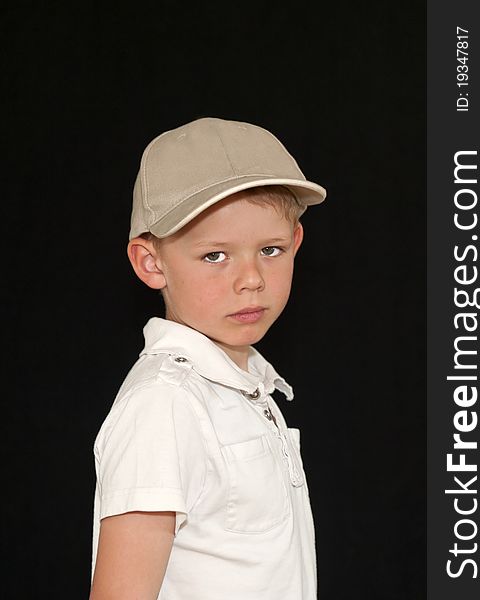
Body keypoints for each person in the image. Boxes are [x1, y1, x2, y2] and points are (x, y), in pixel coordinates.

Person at [89, 117, 327, 599]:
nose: (251, 279)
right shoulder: (165, 404)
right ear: (150, 263)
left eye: (271, 249)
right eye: (215, 255)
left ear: (296, 243)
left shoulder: (244, 387)